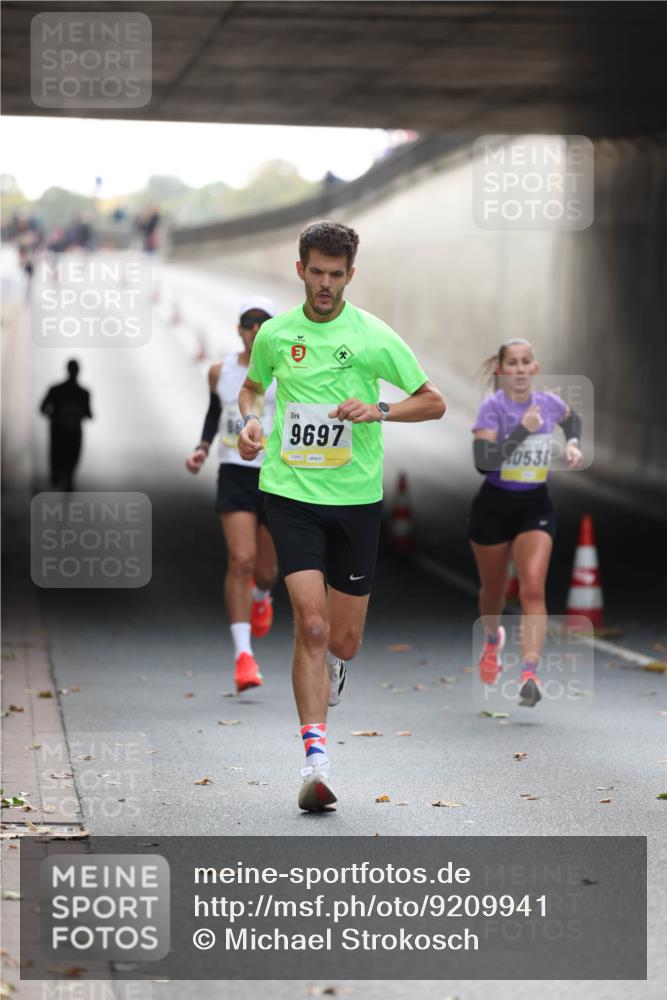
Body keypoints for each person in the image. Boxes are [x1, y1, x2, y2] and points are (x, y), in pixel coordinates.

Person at [237, 221, 445, 811]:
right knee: (313, 623)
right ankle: (315, 761)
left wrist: (379, 408)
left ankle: (332, 666)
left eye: (336, 274)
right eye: (316, 272)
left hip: (355, 500)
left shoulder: (374, 336)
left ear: (350, 275)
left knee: (344, 641)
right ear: (299, 268)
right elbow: (252, 390)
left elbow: (434, 401)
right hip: (290, 493)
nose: (325, 284)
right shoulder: (277, 334)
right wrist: (249, 425)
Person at [469, 338, 584, 708]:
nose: (519, 370)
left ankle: (529, 674)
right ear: (502, 370)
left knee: (533, 588)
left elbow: (572, 419)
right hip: (493, 507)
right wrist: (521, 429)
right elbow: (483, 462)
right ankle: (492, 641)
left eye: (526, 362)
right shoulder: (493, 409)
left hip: (535, 504)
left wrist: (573, 443)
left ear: (534, 368)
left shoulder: (549, 403)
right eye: (512, 363)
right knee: (494, 593)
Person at [185, 298, 279, 693]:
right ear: (239, 329)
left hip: (277, 476)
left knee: (266, 571)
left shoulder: (288, 371)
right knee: (240, 559)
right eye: (249, 323)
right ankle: (244, 657)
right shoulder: (220, 371)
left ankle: (262, 597)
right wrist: (203, 448)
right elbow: (214, 411)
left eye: (264, 323)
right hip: (235, 473)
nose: (256, 330)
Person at [39, 360, 93, 491]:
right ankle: (66, 479)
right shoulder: (83, 393)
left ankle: (61, 479)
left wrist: (55, 416)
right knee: (71, 458)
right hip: (73, 432)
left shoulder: (56, 390)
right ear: (78, 371)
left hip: (59, 431)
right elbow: (89, 414)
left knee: (59, 457)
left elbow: (42, 409)